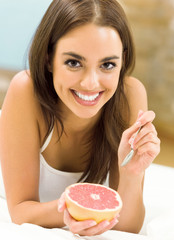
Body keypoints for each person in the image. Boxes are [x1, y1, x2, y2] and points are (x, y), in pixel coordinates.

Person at [0, 0, 160, 236]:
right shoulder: (26, 90)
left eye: (107, 64)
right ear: (48, 59)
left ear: (122, 61)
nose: (90, 84)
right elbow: (20, 211)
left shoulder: (130, 95)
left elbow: (127, 227)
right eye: (73, 63)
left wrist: (131, 173)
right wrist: (72, 211)